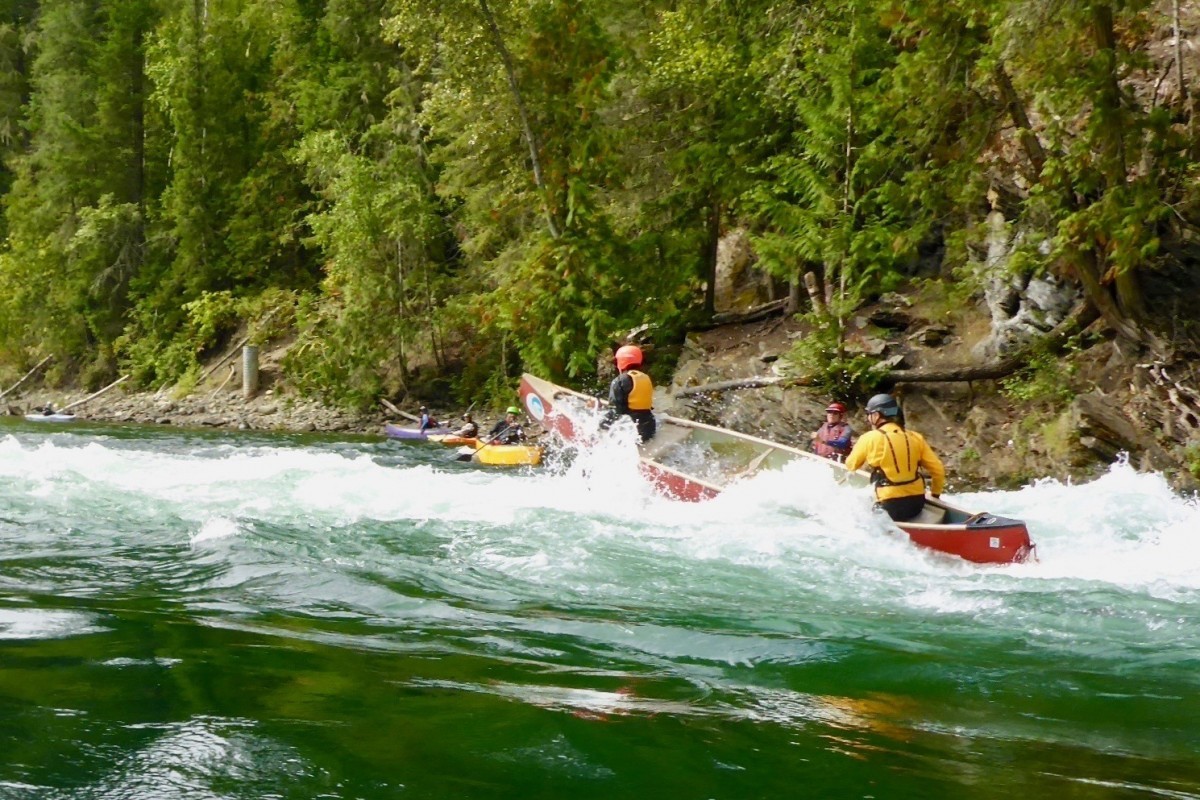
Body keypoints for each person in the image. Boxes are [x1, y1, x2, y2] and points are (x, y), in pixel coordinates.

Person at [844, 393, 945, 522]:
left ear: (876, 415)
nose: (868, 418)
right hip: (917, 504)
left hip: (888, 506)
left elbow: (850, 465)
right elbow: (938, 470)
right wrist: (935, 494)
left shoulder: (869, 438)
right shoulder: (915, 437)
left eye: (869, 414)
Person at [601, 344, 656, 442]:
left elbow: (615, 410)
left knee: (604, 423)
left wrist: (601, 426)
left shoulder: (619, 381)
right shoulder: (646, 378)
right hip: (649, 428)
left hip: (631, 430)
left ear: (621, 361)